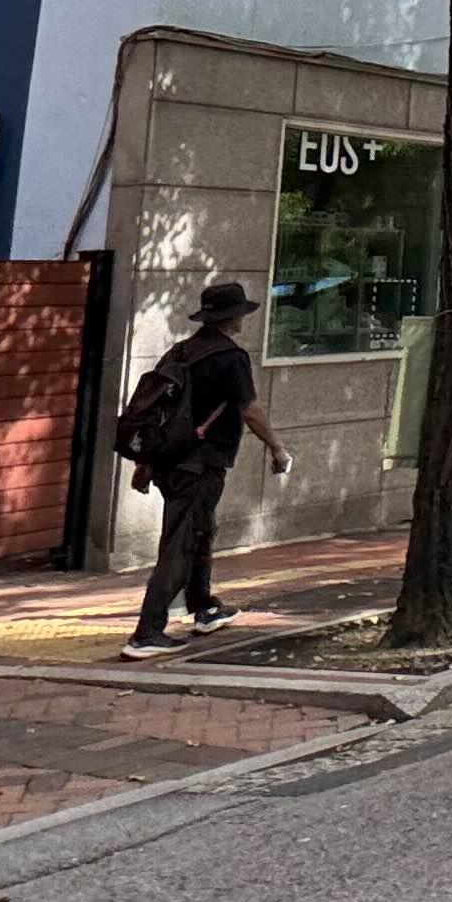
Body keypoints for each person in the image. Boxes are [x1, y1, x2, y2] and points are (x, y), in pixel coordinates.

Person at [123, 279, 290, 660]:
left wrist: (145, 463)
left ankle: (204, 607)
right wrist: (277, 448)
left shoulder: (180, 352)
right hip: (201, 464)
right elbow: (250, 410)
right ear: (235, 318)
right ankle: (147, 632)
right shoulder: (231, 358)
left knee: (199, 531)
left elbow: (157, 412)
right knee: (181, 543)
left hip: (169, 462)